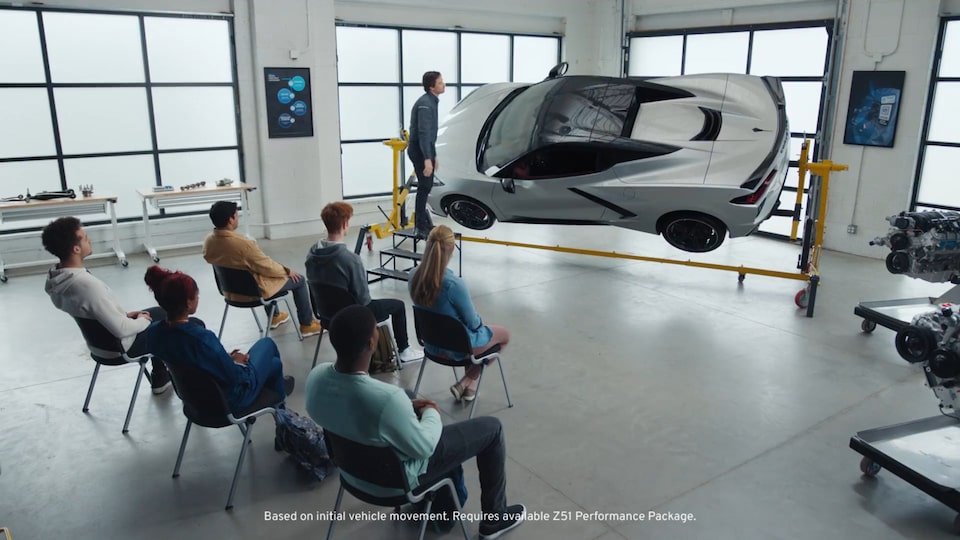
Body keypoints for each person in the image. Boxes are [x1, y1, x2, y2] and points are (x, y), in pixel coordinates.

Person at [305, 305, 525, 540]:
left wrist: (407, 407)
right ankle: (494, 519)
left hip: (352, 474)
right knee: (492, 429)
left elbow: (357, 406)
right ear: (372, 342)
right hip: (397, 484)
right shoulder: (387, 400)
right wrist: (431, 411)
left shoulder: (316, 377)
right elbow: (425, 447)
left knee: (408, 395)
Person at [42, 216, 172, 395]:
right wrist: (142, 321)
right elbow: (122, 330)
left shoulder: (58, 279)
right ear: (76, 248)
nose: (90, 240)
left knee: (160, 312)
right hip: (120, 348)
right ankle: (175, 379)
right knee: (169, 321)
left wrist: (125, 315)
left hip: (98, 346)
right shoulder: (87, 285)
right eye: (85, 238)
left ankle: (161, 375)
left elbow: (93, 312)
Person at [143, 266, 294, 412]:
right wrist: (239, 363)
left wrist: (227, 358)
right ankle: (284, 415)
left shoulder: (154, 332)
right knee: (267, 344)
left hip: (193, 401)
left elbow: (191, 359)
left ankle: (281, 405)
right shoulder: (201, 338)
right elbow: (234, 378)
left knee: (274, 365)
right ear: (188, 303)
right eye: (197, 296)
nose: (198, 298)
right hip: (228, 402)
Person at [305, 201, 423, 364]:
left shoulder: (311, 256)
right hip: (353, 318)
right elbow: (364, 300)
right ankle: (404, 349)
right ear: (345, 223)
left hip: (327, 316)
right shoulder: (350, 260)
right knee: (398, 305)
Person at [409, 225, 511, 402]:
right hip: (456, 347)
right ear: (451, 251)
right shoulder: (454, 285)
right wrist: (480, 325)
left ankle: (468, 387)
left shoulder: (412, 275)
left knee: (465, 333)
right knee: (503, 335)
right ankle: (468, 379)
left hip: (431, 342)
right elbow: (472, 322)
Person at [202, 201, 321, 337]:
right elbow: (267, 266)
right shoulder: (243, 244)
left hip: (230, 291)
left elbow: (209, 257)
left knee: (258, 273)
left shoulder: (208, 241)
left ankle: (275, 316)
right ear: (230, 220)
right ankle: (307, 325)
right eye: (236, 215)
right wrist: (287, 271)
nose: (237, 218)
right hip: (253, 293)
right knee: (298, 280)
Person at [408, 70, 446, 239]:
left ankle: (425, 222)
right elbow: (424, 134)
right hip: (419, 152)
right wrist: (427, 160)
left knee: (426, 186)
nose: (443, 84)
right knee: (424, 188)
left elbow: (431, 135)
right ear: (432, 87)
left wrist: (434, 155)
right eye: (440, 82)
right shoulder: (425, 104)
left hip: (425, 151)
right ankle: (420, 227)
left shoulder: (431, 101)